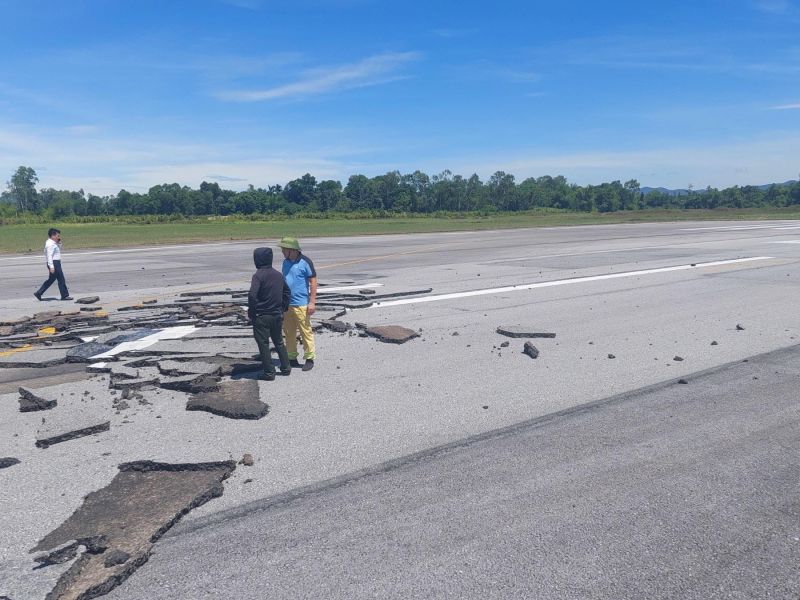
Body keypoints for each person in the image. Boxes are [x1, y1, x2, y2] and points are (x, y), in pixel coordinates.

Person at [248, 247, 291, 381]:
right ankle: (286, 367)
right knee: (278, 341)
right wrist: (283, 308)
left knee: (263, 343)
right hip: (277, 314)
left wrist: (252, 312)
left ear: (257, 260)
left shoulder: (258, 275)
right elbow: (287, 292)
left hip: (262, 315)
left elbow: (252, 295)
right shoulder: (278, 275)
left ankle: (269, 372)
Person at [279, 236, 317, 371]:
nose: (282, 252)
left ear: (292, 250)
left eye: (284, 249)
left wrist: (312, 302)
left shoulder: (305, 262)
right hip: (287, 304)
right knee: (289, 332)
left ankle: (309, 357)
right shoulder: (285, 263)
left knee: (305, 331)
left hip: (301, 304)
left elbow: (313, 281)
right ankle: (291, 357)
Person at [34, 228, 72, 301]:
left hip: (55, 263)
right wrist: (52, 267)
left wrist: (59, 242)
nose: (59, 237)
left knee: (51, 280)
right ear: (53, 236)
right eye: (57, 236)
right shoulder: (50, 244)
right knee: (61, 279)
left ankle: (39, 293)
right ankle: (64, 295)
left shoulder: (53, 243)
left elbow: (59, 248)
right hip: (54, 263)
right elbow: (49, 256)